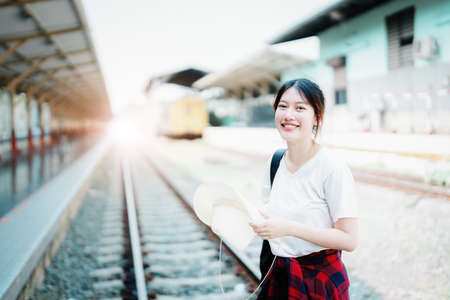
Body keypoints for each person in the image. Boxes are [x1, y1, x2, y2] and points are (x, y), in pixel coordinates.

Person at [249, 78, 358, 299]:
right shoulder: (276, 161)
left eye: (300, 108)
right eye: (282, 106)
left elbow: (349, 240)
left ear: (317, 117)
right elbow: (270, 210)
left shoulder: (331, 167)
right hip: (279, 275)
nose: (289, 115)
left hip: (319, 280)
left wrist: (288, 228)